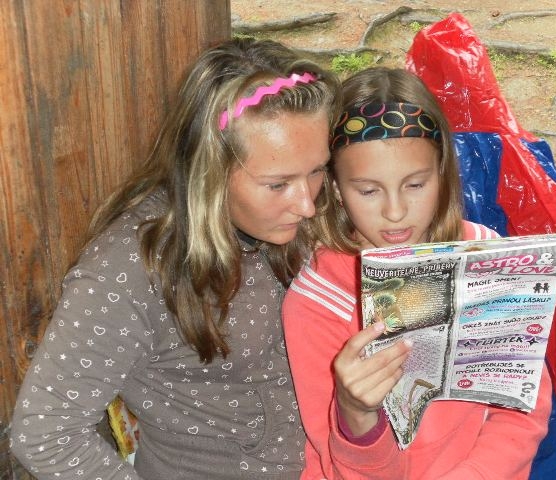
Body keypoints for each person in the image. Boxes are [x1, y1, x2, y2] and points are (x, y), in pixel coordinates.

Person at [10, 37, 347, 480]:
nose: (306, 204)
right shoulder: (130, 269)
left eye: (318, 170)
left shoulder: (309, 212)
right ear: (210, 170)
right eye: (277, 184)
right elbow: (44, 434)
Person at [282, 66, 553, 479]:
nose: (395, 212)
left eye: (415, 185)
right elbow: (342, 468)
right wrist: (356, 415)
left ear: (441, 171)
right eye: (368, 190)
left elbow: (522, 407)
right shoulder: (317, 303)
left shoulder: (487, 256)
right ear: (336, 188)